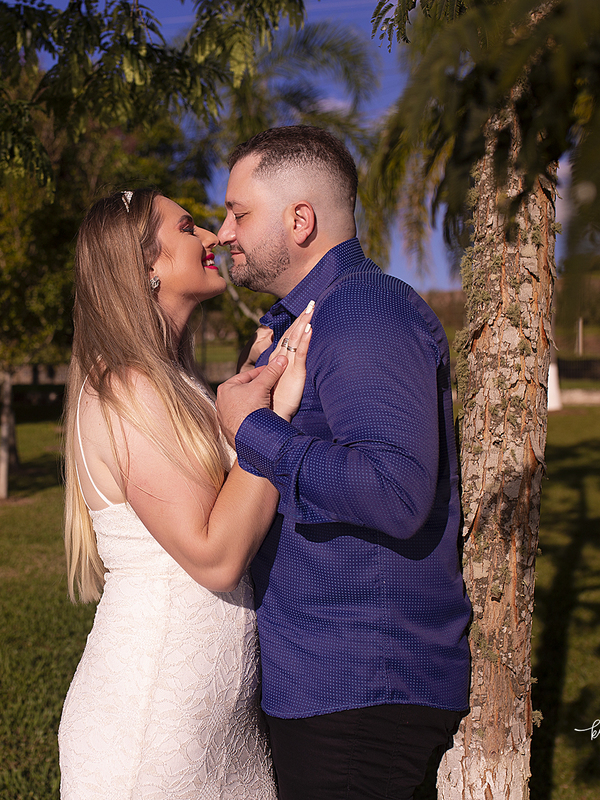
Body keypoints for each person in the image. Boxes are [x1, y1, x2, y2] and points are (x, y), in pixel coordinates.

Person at [215, 126, 473, 799]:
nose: (223, 232)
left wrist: (254, 429)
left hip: (363, 681)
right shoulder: (302, 320)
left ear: (300, 220)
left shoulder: (361, 306)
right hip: (325, 681)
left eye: (238, 213)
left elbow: (394, 491)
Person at [58, 188, 314, 799]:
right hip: (153, 727)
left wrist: (249, 391)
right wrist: (269, 422)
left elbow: (218, 494)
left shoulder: (172, 382)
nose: (212, 237)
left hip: (214, 725)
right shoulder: (128, 387)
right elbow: (215, 557)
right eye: (187, 226)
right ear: (145, 264)